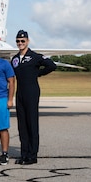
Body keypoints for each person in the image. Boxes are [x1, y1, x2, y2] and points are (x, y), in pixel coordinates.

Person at [11, 30, 56, 165]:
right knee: (22, 125)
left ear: (28, 41)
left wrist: (38, 73)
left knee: (31, 123)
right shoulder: (14, 59)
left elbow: (52, 65)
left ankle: (32, 155)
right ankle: (24, 154)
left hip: (31, 92)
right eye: (18, 41)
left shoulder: (35, 56)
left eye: (23, 41)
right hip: (20, 93)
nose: (20, 43)